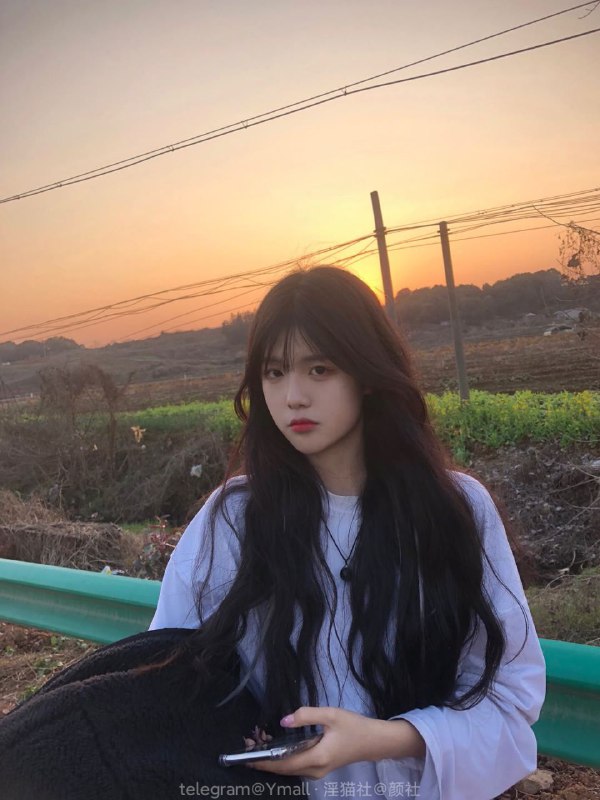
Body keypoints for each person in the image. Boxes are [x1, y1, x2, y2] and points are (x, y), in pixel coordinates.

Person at [149, 266, 546, 800]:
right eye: (273, 372)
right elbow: (170, 688)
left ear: (367, 372)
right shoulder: (234, 521)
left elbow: (508, 701)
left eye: (320, 369)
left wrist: (380, 739)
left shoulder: (454, 510)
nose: (293, 397)